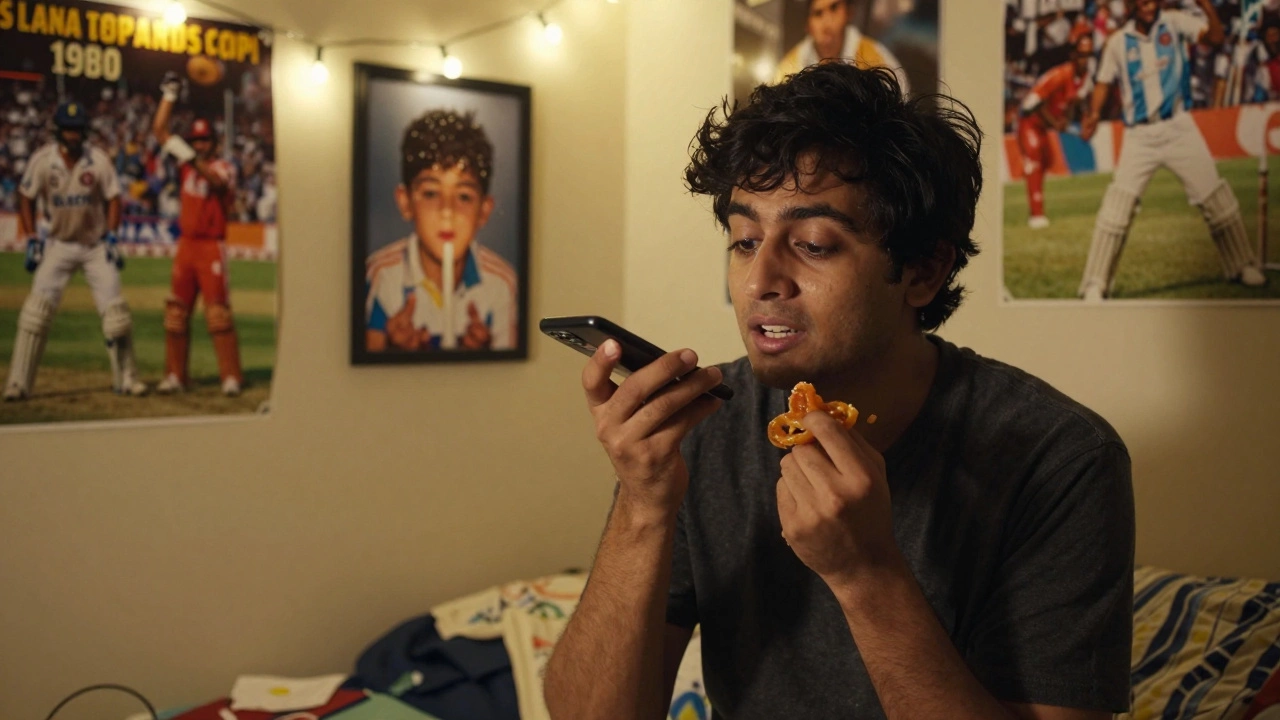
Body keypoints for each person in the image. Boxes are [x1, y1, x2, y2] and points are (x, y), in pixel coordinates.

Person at [544, 63, 1134, 719]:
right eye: (743, 239)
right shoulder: (700, 428)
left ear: (923, 271)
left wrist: (868, 574)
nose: (760, 278)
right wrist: (643, 504)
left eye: (814, 244)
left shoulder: (1060, 459)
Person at [1078, 0, 1267, 301]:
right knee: (1117, 207)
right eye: (1142, 2)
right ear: (1131, 5)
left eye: (1153, 0)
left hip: (1179, 127)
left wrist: (1205, 5)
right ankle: (1095, 284)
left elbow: (1216, 39)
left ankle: (1242, 265)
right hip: (1139, 134)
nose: (1149, 6)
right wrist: (1093, 115)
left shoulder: (1175, 22)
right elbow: (1103, 82)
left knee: (1215, 197)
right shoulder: (1117, 42)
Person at [4, 100, 147, 401]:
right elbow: (25, 196)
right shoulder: (43, 160)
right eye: (67, 130)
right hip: (59, 245)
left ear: (84, 132)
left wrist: (111, 235)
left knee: (116, 315)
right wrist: (32, 237)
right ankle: (18, 384)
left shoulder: (97, 160)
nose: (72, 136)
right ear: (58, 131)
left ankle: (128, 379)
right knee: (35, 314)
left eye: (77, 130)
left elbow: (114, 198)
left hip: (95, 247)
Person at [364, 108, 518, 353]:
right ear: (405, 202)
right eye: (431, 193)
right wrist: (391, 348)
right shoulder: (381, 275)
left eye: (464, 196)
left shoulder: (501, 283)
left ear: (484, 210)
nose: (448, 211)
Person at [151, 71, 244, 396]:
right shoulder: (187, 165)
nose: (200, 145)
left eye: (204, 140)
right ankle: (176, 375)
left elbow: (218, 184)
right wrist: (170, 95)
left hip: (210, 246)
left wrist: (190, 157)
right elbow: (160, 131)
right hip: (186, 245)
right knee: (176, 313)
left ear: (214, 143)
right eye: (196, 141)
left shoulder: (225, 166)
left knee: (217, 315)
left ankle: (230, 376)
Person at [1018, 32, 1095, 229]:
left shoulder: (1085, 78)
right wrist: (1054, 122)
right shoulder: (1058, 75)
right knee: (1034, 162)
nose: (1085, 59)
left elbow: (1077, 103)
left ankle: (1036, 208)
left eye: (1089, 54)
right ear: (1074, 55)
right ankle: (1036, 216)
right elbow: (1032, 105)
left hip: (1045, 127)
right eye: (1082, 54)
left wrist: (1078, 122)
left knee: (1046, 164)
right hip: (1030, 124)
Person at [773, 0, 910, 93]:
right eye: (818, 13)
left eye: (834, 8)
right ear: (807, 25)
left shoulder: (876, 59)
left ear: (849, 12)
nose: (827, 22)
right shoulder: (788, 68)